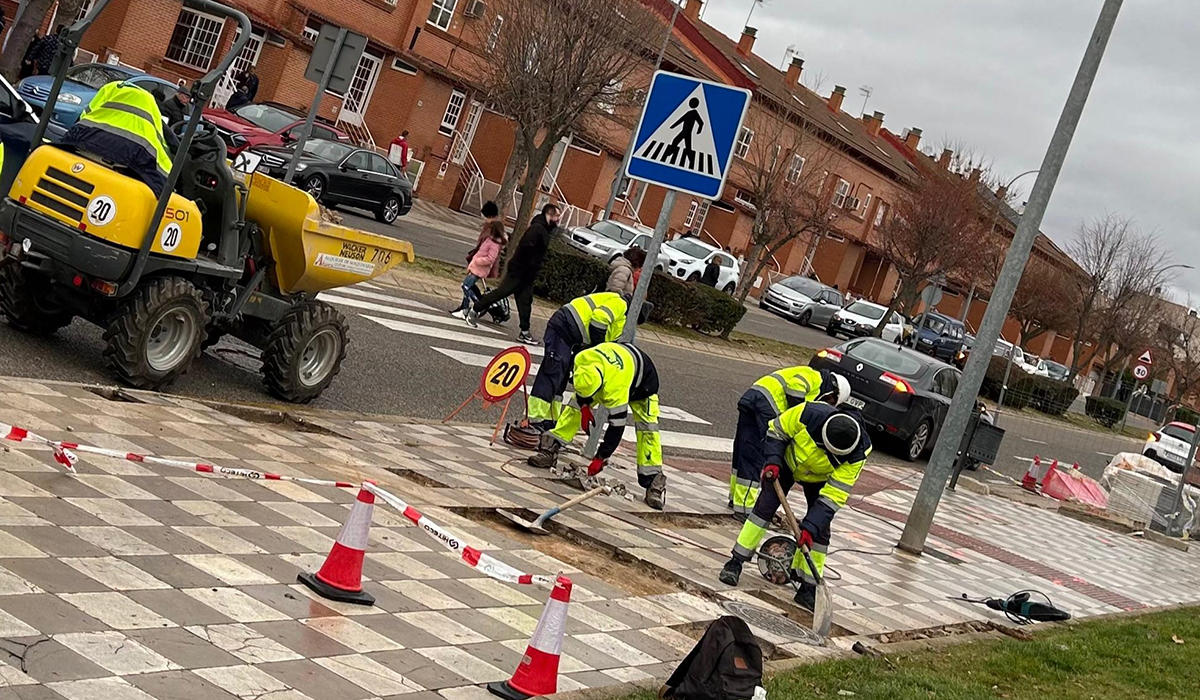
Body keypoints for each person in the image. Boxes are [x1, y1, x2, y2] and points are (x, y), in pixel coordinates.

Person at [719, 402, 871, 610]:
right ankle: (735, 562)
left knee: (820, 531)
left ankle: (807, 587)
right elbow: (776, 429)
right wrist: (773, 460)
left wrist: (810, 528)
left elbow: (833, 497)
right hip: (785, 464)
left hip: (820, 479)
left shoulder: (858, 453)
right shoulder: (809, 413)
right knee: (763, 510)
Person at [528, 342, 667, 509]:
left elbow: (617, 427)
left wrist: (600, 458)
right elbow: (582, 389)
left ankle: (654, 483)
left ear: (601, 387)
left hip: (642, 383)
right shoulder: (582, 359)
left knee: (648, 430)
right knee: (574, 407)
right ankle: (549, 449)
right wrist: (585, 406)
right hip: (611, 365)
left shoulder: (616, 388)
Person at [730, 368, 849, 517]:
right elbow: (795, 388)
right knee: (755, 456)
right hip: (768, 406)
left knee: (744, 450)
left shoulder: (812, 376)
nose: (826, 404)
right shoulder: (815, 378)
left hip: (753, 398)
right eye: (830, 401)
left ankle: (735, 498)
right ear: (832, 392)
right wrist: (796, 415)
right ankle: (745, 509)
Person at [523, 290, 629, 433]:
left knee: (561, 377)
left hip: (572, 336)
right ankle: (534, 420)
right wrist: (595, 350)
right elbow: (598, 321)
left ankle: (549, 421)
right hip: (564, 327)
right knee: (552, 372)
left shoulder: (621, 319)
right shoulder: (620, 304)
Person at [466, 203, 559, 344]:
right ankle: (474, 310)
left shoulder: (543, 229)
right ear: (549, 215)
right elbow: (527, 248)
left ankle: (525, 332)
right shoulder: (537, 229)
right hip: (520, 272)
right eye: (557, 216)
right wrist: (528, 266)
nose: (558, 220)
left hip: (526, 274)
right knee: (501, 293)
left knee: (525, 301)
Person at [61, 82, 172, 197]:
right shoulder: (152, 110)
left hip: (88, 142)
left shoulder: (110, 88)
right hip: (132, 159)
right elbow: (167, 147)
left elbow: (84, 116)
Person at [453, 220, 506, 318]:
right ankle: (470, 307)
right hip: (476, 267)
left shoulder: (494, 244)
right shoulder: (490, 240)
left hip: (480, 269)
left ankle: (469, 307)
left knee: (466, 286)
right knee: (467, 286)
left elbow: (490, 259)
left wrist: (478, 261)